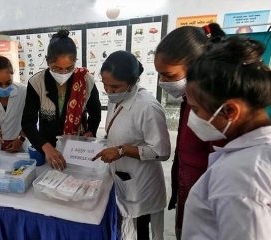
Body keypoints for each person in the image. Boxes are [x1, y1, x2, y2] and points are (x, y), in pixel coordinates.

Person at [181, 36, 271, 240]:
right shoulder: (256, 153)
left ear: (230, 110)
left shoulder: (240, 177)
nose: (192, 119)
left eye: (196, 110)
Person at [154, 23, 226, 239]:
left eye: (168, 75)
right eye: (160, 75)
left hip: (209, 206)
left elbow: (222, 166)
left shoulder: (214, 108)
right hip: (189, 194)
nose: (163, 82)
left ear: (196, 67)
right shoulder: (189, 98)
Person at [93, 51, 171, 240]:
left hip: (142, 184)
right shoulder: (117, 99)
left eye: (115, 86)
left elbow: (162, 152)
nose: (109, 91)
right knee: (125, 228)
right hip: (122, 179)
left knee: (141, 230)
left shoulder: (147, 107)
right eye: (105, 85)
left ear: (133, 81)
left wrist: (123, 150)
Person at [22, 30, 101, 170]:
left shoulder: (86, 80)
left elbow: (95, 112)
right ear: (47, 61)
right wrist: (45, 147)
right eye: (56, 68)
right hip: (47, 145)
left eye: (69, 68)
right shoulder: (36, 82)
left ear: (75, 62)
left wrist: (91, 131)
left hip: (77, 145)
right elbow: (28, 122)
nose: (63, 73)